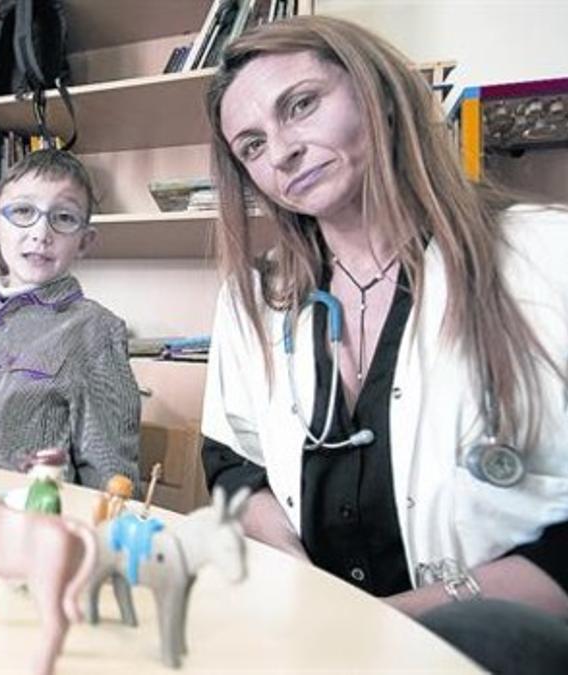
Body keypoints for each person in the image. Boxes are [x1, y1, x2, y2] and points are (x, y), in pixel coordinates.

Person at [199, 15, 568, 672]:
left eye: (302, 105)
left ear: (381, 96)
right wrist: (295, 581)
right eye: (251, 145)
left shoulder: (545, 256)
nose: (281, 151)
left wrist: (384, 621)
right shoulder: (254, 300)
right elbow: (231, 463)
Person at [0, 149, 141, 491]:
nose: (42, 232)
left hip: (29, 526)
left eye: (65, 217)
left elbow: (110, 472)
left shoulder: (95, 331)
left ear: (85, 241)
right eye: (24, 211)